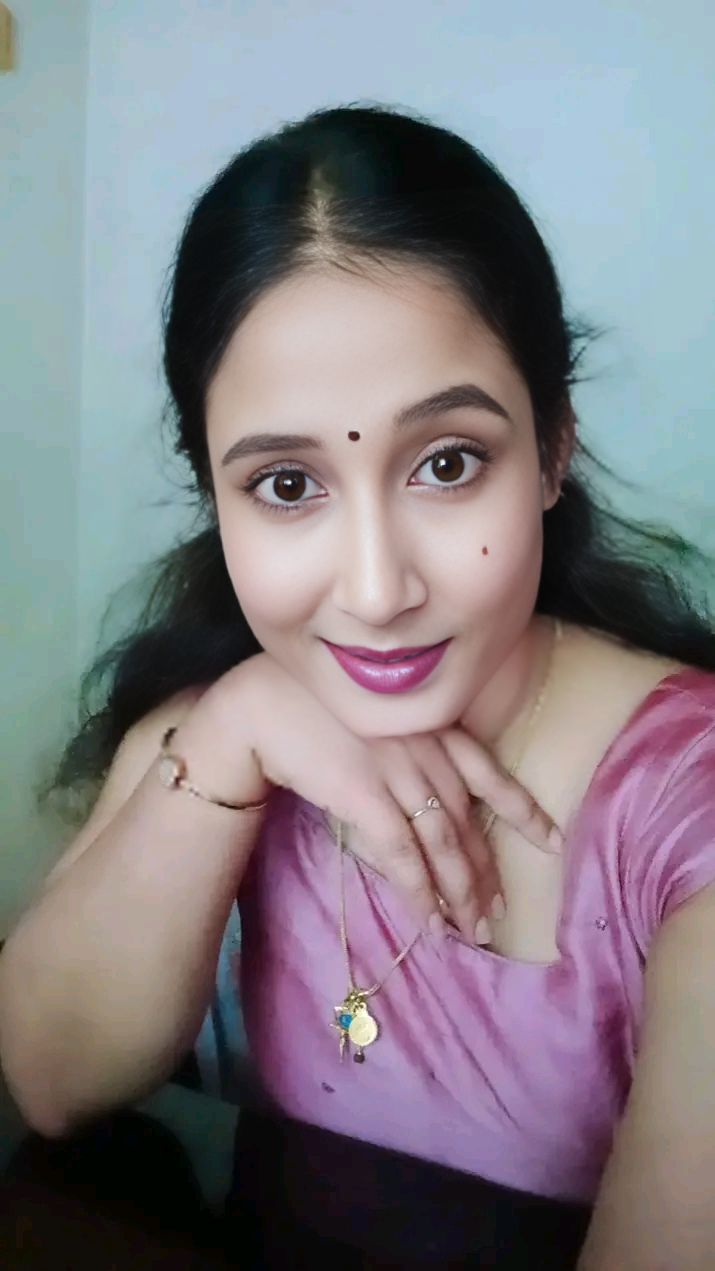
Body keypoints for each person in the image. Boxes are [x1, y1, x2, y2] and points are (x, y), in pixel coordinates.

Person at [1, 103, 714, 1270]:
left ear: (551, 449)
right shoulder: (213, 731)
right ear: (215, 494)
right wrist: (233, 729)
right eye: (287, 485)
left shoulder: (688, 810)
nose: (377, 591)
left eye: (447, 462)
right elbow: (50, 1081)